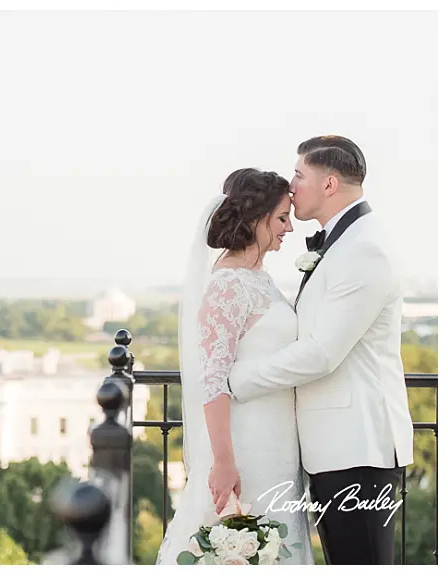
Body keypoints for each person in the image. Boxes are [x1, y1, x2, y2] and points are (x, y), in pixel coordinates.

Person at [227, 136, 414, 565]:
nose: (291, 188)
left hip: (357, 450)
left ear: (329, 184)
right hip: (337, 447)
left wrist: (238, 379)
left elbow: (320, 353)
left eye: (299, 175)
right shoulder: (344, 241)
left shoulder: (363, 248)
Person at [155, 167, 313, 565]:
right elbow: (211, 380)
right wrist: (224, 462)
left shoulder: (258, 277)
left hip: (278, 442)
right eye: (281, 218)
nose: (289, 228)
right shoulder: (228, 284)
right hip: (247, 445)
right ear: (254, 218)